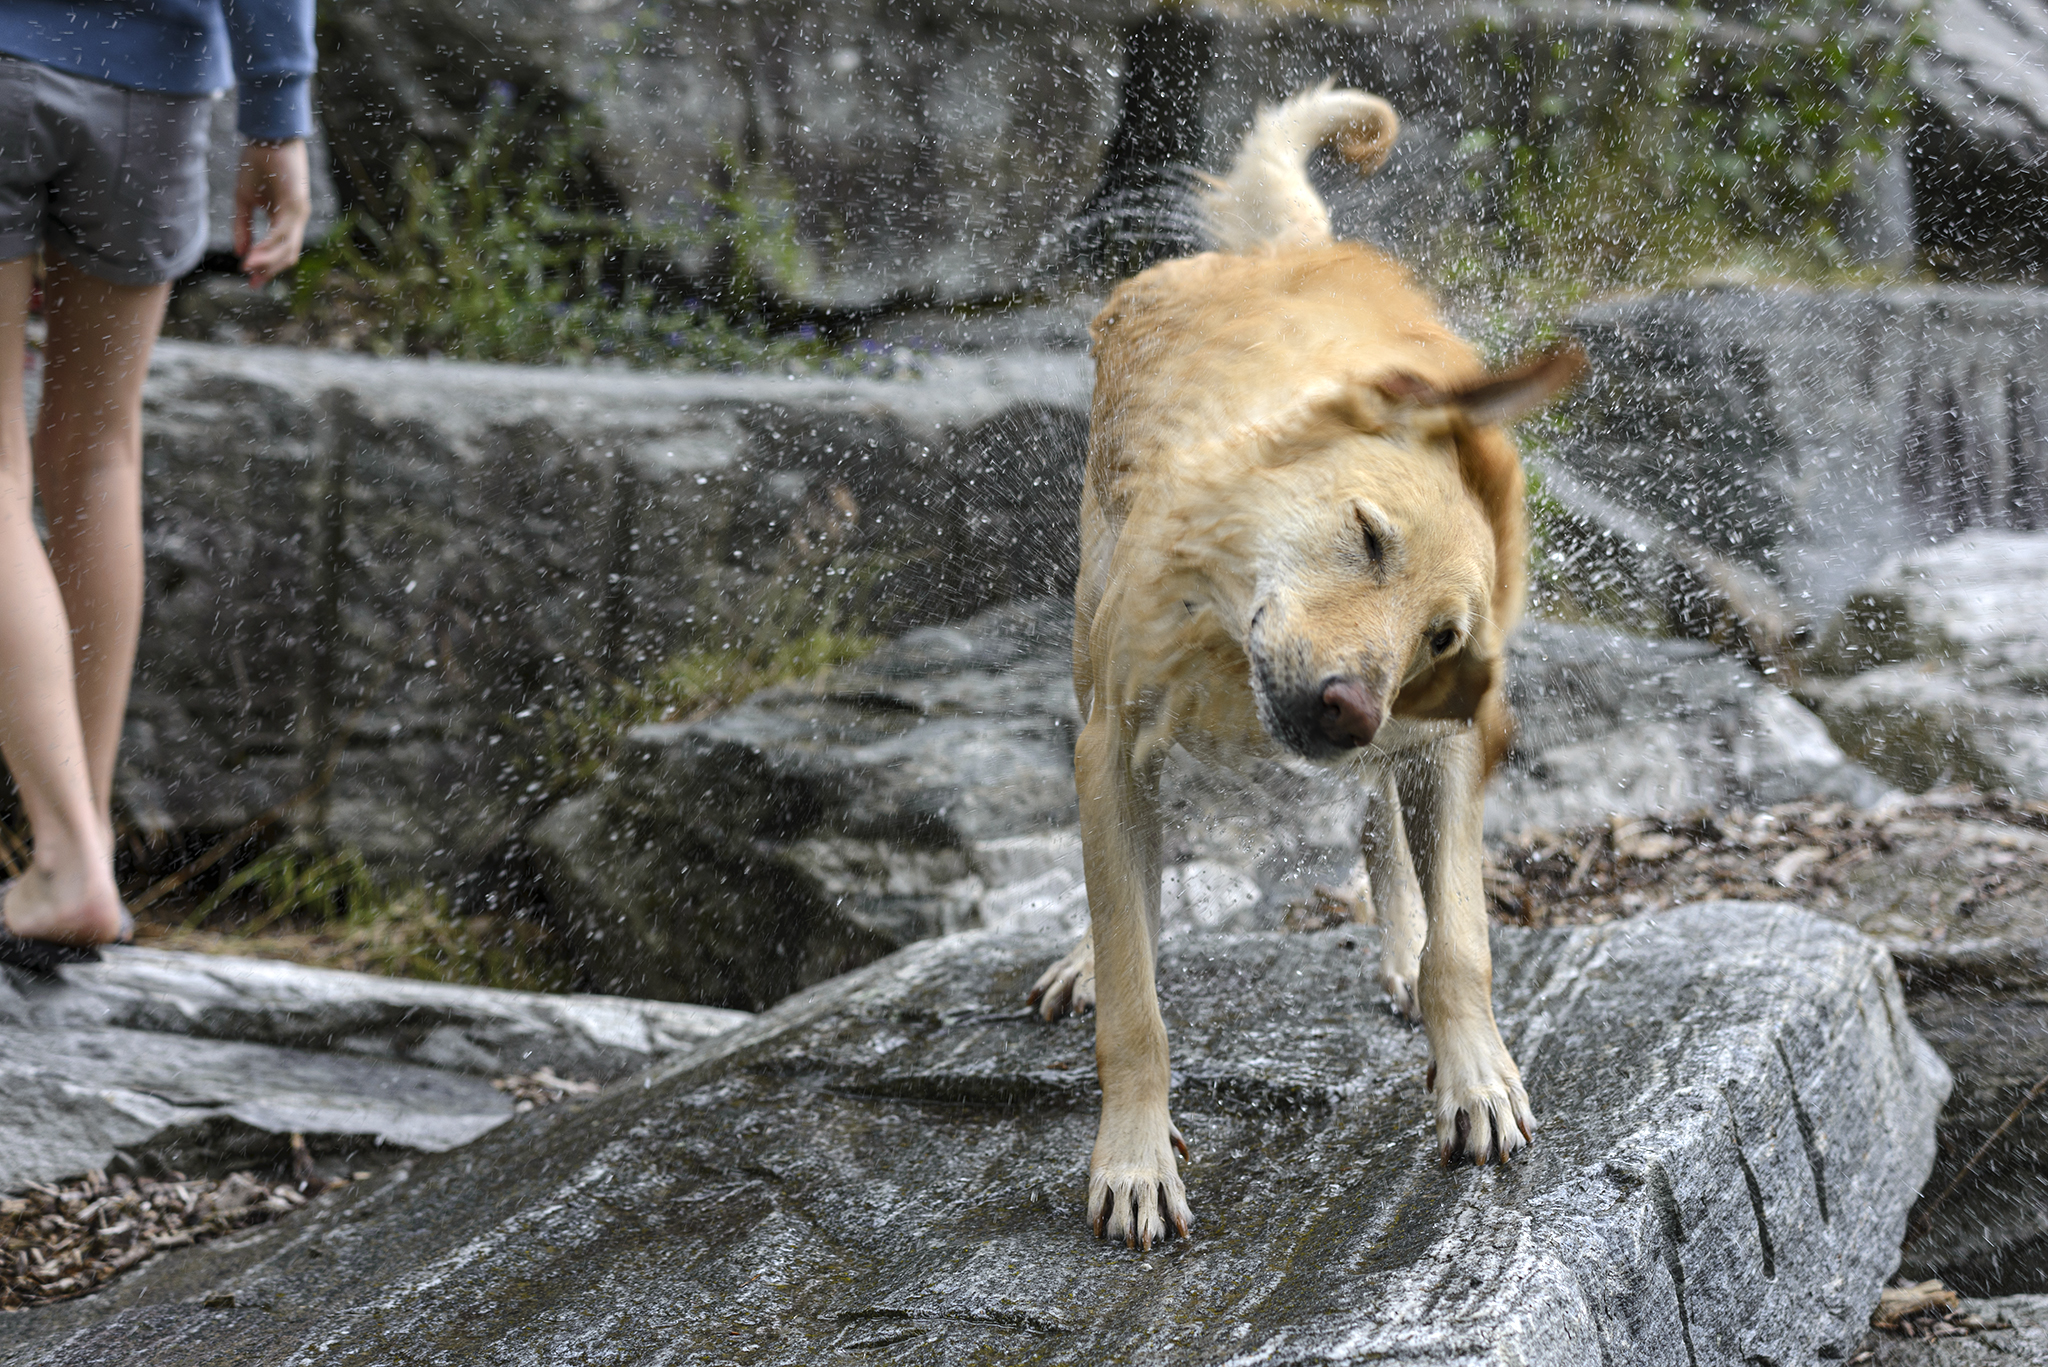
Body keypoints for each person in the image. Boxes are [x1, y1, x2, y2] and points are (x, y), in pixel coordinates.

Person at [0, 0, 314, 965]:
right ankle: (80, 839)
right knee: (98, 454)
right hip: (157, 86)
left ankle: (68, 859)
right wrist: (278, 116)